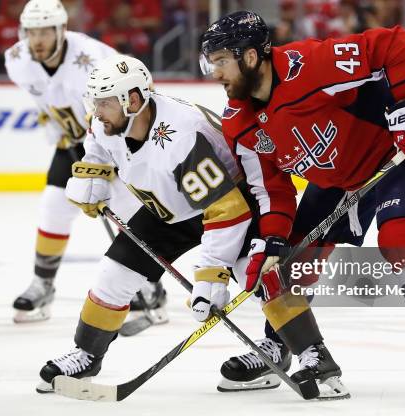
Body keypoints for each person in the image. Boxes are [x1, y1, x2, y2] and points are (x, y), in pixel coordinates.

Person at [200, 11, 405, 405]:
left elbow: (395, 42)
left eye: (220, 61)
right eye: (209, 63)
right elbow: (275, 190)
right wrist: (275, 239)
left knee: (400, 239)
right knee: (289, 260)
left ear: (249, 57)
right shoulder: (241, 122)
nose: (214, 73)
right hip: (335, 180)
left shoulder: (311, 65)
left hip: (395, 156)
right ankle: (279, 345)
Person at [36, 54, 348, 400]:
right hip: (168, 209)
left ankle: (313, 357)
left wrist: (210, 276)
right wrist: (91, 172)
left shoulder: (180, 136)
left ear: (134, 101)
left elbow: (224, 211)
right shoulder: (106, 121)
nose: (96, 112)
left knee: (259, 275)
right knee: (113, 274)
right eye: (94, 102)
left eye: (105, 103)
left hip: (233, 204)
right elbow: (97, 147)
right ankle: (86, 354)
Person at [5, 0, 165, 324]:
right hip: (74, 142)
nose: (36, 39)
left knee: (126, 211)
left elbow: (140, 92)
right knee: (53, 204)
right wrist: (51, 121)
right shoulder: (17, 59)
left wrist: (108, 154)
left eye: (44, 31)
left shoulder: (92, 58)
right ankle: (43, 284)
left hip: (114, 142)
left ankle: (151, 285)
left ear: (61, 30)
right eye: (31, 31)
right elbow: (41, 95)